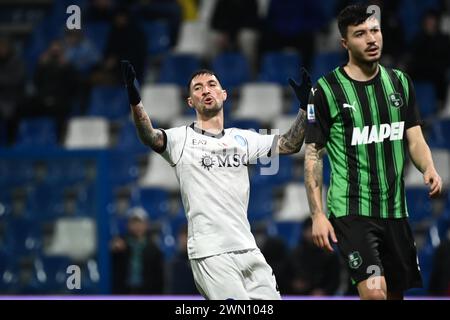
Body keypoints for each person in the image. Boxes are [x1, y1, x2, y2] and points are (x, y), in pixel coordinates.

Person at [120, 60, 311, 299]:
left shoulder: (243, 139)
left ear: (224, 94)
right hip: (211, 252)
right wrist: (135, 101)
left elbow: (290, 144)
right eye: (198, 88)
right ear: (191, 102)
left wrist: (305, 107)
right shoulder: (181, 139)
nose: (206, 90)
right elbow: (149, 136)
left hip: (248, 248)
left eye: (211, 84)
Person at [304, 4, 443, 300]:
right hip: (351, 210)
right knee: (375, 294)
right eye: (360, 34)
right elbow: (313, 155)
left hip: (394, 209)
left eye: (375, 31)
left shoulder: (400, 83)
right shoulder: (326, 90)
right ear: (345, 43)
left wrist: (428, 167)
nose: (371, 39)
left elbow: (415, 139)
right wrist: (317, 214)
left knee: (394, 296)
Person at [110, 206, 164, 294]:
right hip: (125, 291)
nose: (137, 226)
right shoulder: (121, 244)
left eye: (140, 222)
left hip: (146, 292)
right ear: (129, 225)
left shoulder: (154, 248)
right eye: (134, 223)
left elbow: (158, 277)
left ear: (146, 224)